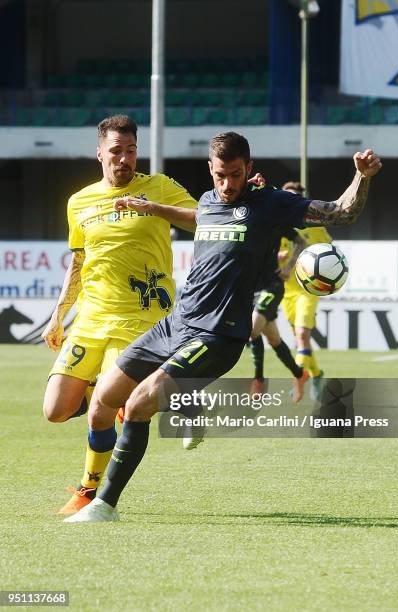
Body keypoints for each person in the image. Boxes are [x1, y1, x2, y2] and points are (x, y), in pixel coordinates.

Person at [63, 132, 381, 522]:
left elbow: (340, 212)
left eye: (234, 175)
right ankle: (188, 406)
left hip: (218, 335)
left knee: (139, 403)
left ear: (248, 169)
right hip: (175, 323)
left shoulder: (270, 203)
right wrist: (151, 208)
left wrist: (361, 177)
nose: (227, 185)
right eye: (219, 176)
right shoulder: (210, 200)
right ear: (210, 171)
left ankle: (103, 505)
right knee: (104, 399)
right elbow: (196, 217)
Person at [42, 114, 197, 515]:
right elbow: (79, 261)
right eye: (116, 151)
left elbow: (205, 219)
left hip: (142, 320)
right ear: (100, 154)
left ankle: (88, 489)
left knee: (106, 411)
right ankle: (168, 393)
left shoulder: (159, 187)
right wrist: (59, 313)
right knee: (55, 410)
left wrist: (158, 208)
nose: (125, 159)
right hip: (90, 320)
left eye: (131, 151)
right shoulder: (80, 202)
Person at [280, 181, 333, 401]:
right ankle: (317, 374)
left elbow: (329, 251)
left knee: (302, 336)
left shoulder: (315, 226)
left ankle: (298, 381)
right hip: (286, 292)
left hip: (308, 289)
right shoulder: (277, 225)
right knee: (301, 340)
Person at [249, 226, 308, 402]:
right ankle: (300, 374)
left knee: (253, 330)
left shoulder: (274, 218)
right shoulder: (243, 219)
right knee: (274, 339)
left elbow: (302, 242)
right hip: (252, 287)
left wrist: (289, 266)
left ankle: (258, 379)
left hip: (272, 286)